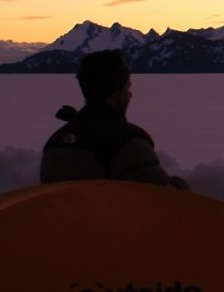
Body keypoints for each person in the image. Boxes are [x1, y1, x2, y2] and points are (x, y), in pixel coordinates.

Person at [40, 50, 188, 190]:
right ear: (114, 92)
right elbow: (159, 196)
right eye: (127, 87)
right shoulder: (127, 142)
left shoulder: (55, 142)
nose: (130, 95)